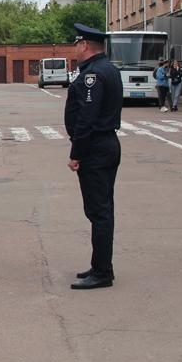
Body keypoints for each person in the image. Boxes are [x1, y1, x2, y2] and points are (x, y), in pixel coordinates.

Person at [64, 24, 123, 291]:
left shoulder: (93, 75)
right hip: (105, 144)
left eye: (76, 44)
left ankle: (102, 272)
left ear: (85, 45)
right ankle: (100, 265)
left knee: (99, 212)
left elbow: (87, 116)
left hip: (95, 148)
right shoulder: (108, 69)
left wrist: (76, 153)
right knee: (101, 210)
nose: (75, 48)